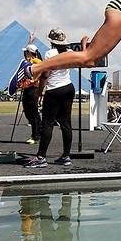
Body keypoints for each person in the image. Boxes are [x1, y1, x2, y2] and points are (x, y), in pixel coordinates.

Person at [25, 33, 76, 168]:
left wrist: (39, 94)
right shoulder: (69, 52)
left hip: (54, 89)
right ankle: (66, 156)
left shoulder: (50, 53)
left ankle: (41, 156)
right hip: (68, 87)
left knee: (47, 123)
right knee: (66, 123)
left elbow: (45, 74)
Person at [15, 36, 43, 144]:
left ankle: (36, 135)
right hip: (27, 89)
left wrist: (34, 80)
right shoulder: (29, 60)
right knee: (28, 112)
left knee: (33, 112)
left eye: (26, 52)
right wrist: (30, 41)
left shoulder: (36, 61)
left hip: (33, 89)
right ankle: (38, 132)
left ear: (29, 53)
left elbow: (41, 71)